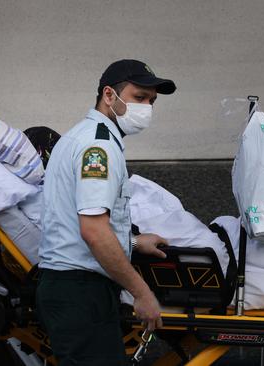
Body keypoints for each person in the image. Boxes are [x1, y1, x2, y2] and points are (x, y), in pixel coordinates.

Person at [36, 59, 176, 365]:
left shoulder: (84, 136)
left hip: (71, 288)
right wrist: (141, 293)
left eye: (152, 101)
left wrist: (135, 242)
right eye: (139, 97)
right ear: (109, 95)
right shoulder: (97, 149)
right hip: (81, 291)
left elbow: (74, 219)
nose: (147, 107)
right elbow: (94, 232)